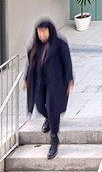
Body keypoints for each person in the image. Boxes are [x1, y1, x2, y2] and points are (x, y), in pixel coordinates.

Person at [25, 19, 74, 159]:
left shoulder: (60, 44)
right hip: (40, 82)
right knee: (40, 106)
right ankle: (49, 118)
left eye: (44, 32)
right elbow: (30, 65)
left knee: (53, 107)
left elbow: (67, 61)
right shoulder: (35, 47)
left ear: (50, 31)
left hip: (56, 82)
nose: (42, 35)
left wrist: (69, 78)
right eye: (39, 32)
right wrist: (26, 79)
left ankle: (54, 138)